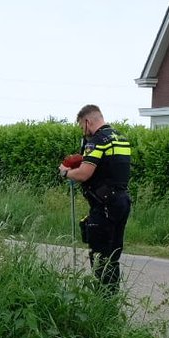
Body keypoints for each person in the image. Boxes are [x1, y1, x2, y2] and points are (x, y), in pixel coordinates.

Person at [57, 104, 132, 290]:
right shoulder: (120, 138)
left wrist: (66, 173)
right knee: (113, 256)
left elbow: (84, 174)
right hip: (121, 202)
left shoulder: (97, 141)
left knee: (100, 257)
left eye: (82, 126)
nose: (84, 132)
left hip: (104, 206)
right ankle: (111, 300)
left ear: (87, 121)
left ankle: (103, 301)